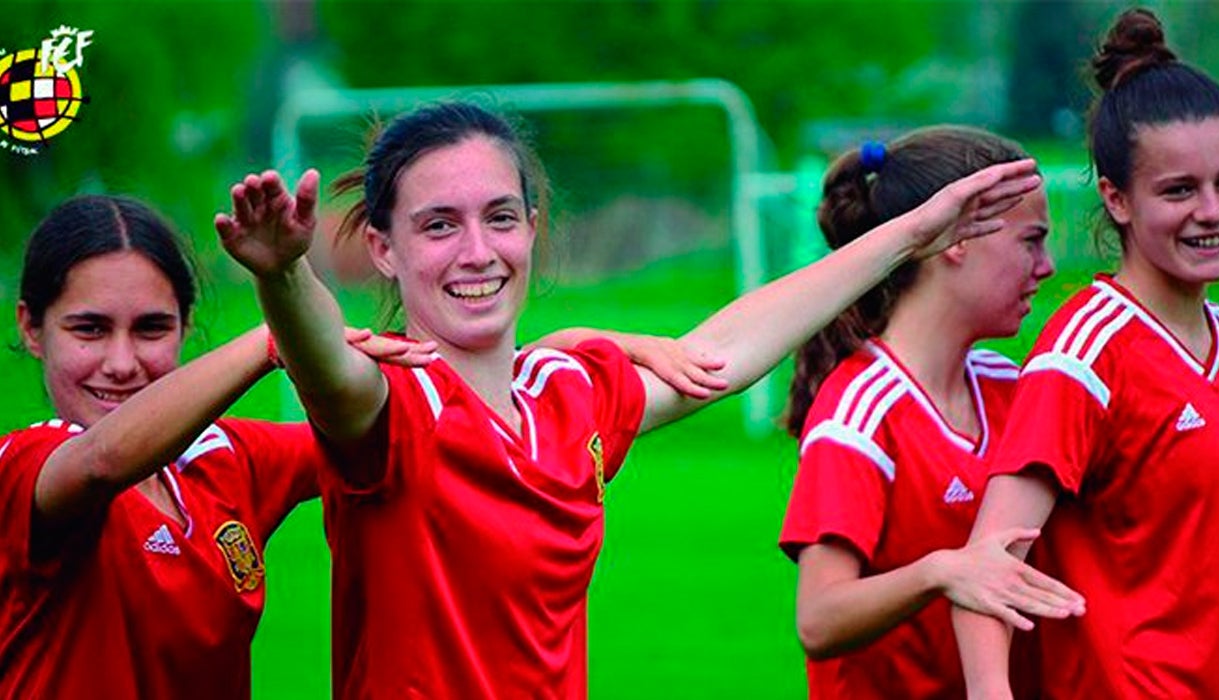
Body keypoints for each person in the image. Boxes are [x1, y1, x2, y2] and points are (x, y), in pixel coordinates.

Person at [213, 100, 1043, 698]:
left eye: (500, 217)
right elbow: (326, 370)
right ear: (383, 251)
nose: (477, 251)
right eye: (438, 226)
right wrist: (282, 272)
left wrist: (905, 234)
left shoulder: (567, 395)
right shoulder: (391, 408)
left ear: (534, 227)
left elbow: (726, 350)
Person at [0, 194, 428, 699]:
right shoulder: (23, 467)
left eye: (151, 328)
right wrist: (275, 340)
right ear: (31, 327)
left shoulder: (225, 459)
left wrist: (530, 363)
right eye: (89, 329)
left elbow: (389, 420)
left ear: (185, 325)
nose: (121, 362)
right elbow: (101, 460)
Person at [953, 8, 1219, 698]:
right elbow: (988, 567)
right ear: (1116, 199)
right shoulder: (1085, 355)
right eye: (1179, 190)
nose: (1213, 211)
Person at [778, 126, 1083, 699]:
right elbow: (818, 618)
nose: (1046, 267)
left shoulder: (1009, 384)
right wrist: (941, 572)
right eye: (1031, 240)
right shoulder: (861, 414)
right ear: (958, 238)